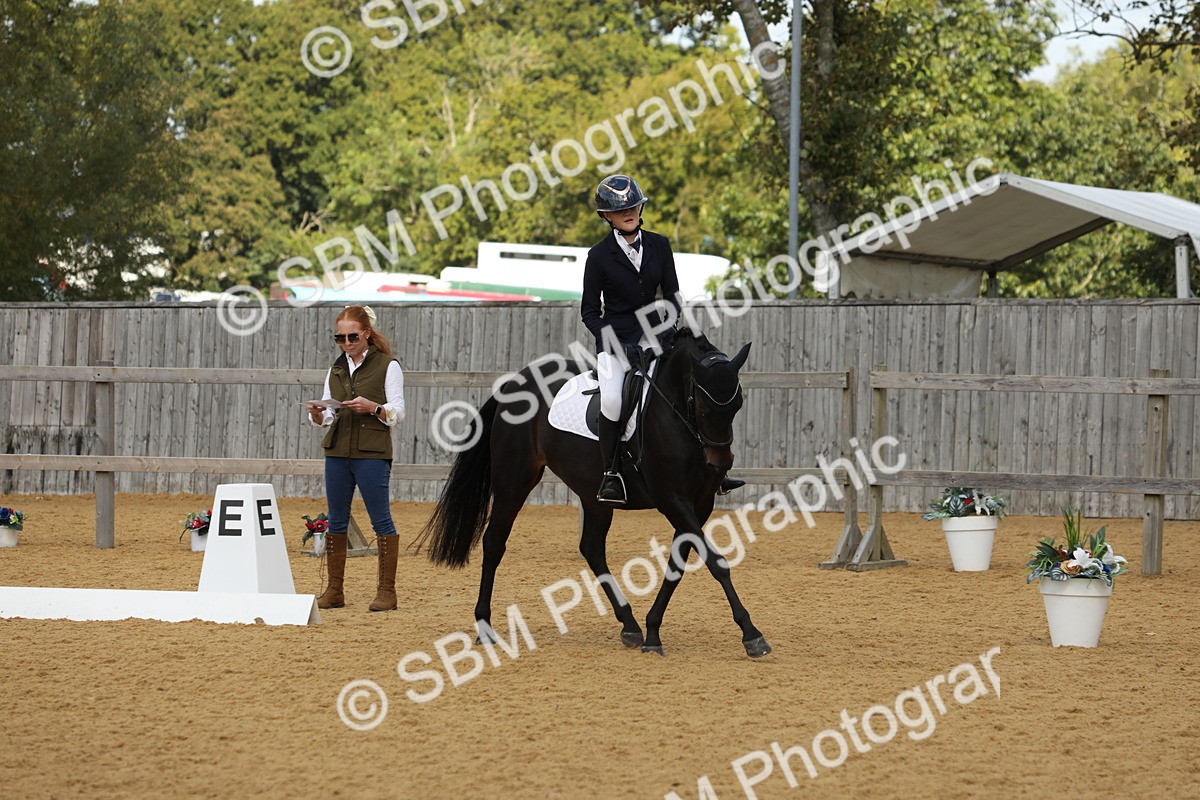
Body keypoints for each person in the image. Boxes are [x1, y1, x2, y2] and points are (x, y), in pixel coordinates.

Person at [581, 174, 744, 503]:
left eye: (633, 206)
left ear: (641, 209)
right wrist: (620, 347)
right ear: (606, 216)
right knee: (612, 401)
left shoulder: (660, 245)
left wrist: (667, 332)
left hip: (657, 338)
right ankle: (611, 475)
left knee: (692, 392)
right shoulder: (598, 257)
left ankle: (715, 472)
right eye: (620, 209)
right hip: (616, 345)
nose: (629, 212)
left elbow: (671, 295)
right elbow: (590, 313)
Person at [306, 305, 405, 611]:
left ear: (366, 334)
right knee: (336, 520)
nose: (346, 343)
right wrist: (318, 414)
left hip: (372, 454)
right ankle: (335, 590)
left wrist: (374, 408)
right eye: (340, 337)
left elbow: (398, 412)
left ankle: (387, 592)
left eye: (351, 336)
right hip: (337, 451)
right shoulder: (335, 368)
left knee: (381, 521)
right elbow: (329, 416)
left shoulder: (388, 366)